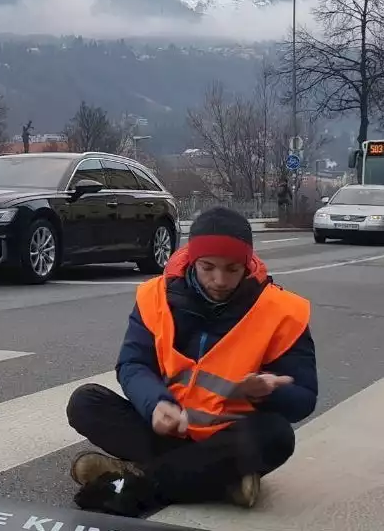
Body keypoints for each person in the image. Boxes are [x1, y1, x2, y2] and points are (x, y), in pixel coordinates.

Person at [65, 207, 317, 518]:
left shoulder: (282, 311)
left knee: (277, 435)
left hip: (227, 435)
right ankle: (218, 481)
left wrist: (267, 392)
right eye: (208, 267)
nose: (220, 280)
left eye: (233, 269)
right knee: (86, 403)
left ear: (248, 264)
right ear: (191, 260)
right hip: (168, 425)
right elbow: (133, 364)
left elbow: (305, 399)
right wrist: (155, 403)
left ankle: (138, 482)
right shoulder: (154, 297)